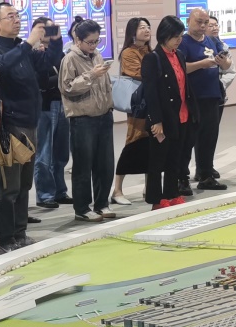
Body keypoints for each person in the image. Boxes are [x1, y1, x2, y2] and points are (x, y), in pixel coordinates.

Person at [0, 1, 50, 253]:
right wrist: (28, 43)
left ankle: (20, 232)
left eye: (17, 15)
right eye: (10, 16)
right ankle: (5, 240)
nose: (16, 20)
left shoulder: (19, 47)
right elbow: (0, 68)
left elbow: (46, 67)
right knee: (9, 187)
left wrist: (54, 42)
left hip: (30, 122)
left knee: (24, 184)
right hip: (11, 126)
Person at [59, 20, 115, 223]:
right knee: (83, 166)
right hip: (83, 119)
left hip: (104, 115)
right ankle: (82, 208)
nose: (93, 45)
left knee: (105, 164)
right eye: (90, 42)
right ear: (78, 40)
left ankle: (102, 204)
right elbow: (67, 87)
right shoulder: (70, 59)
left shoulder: (97, 55)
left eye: (97, 41)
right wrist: (91, 75)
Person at [143, 17, 195, 209]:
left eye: (181, 36)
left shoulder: (179, 55)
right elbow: (150, 92)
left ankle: (172, 193)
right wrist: (156, 120)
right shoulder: (152, 58)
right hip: (162, 118)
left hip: (181, 115)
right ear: (164, 35)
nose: (179, 40)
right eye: (175, 37)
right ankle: (156, 199)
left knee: (175, 157)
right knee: (158, 161)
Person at [179, 7, 232, 191]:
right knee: (188, 140)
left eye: (205, 23)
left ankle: (206, 175)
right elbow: (180, 67)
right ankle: (182, 178)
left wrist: (224, 62)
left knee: (209, 138)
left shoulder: (211, 40)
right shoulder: (183, 42)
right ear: (188, 22)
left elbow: (226, 63)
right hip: (192, 98)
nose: (202, 26)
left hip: (212, 96)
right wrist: (201, 64)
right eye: (199, 22)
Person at [112, 17, 151, 205]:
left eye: (148, 27)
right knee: (133, 143)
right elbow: (141, 73)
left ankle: (149, 187)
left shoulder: (149, 51)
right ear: (132, 32)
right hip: (138, 106)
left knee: (151, 145)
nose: (146, 30)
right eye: (142, 27)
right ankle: (117, 190)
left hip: (152, 103)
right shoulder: (128, 52)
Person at [33, 17, 70, 211]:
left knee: (61, 153)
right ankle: (45, 194)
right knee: (44, 153)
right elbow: (41, 81)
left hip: (63, 103)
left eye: (51, 29)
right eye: (44, 29)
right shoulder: (34, 54)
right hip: (44, 107)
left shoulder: (60, 53)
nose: (48, 32)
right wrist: (60, 79)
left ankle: (60, 191)